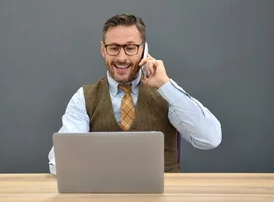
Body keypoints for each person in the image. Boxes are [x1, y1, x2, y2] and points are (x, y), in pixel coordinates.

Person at [47, 14, 222, 175]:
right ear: (103, 50)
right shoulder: (84, 97)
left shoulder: (166, 93)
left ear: (144, 50)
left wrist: (166, 85)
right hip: (104, 199)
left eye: (130, 48)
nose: (122, 57)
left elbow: (210, 139)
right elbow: (62, 159)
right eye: (114, 48)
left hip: (164, 200)